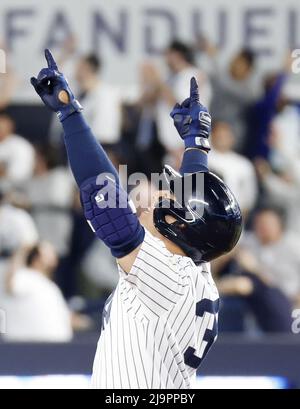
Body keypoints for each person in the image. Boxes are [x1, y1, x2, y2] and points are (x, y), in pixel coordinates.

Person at [31, 50, 242, 389]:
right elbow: (196, 213)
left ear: (178, 222)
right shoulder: (194, 264)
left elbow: (105, 197)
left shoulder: (166, 275)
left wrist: (70, 113)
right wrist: (196, 143)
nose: (159, 194)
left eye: (166, 196)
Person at [0, 242, 73, 342]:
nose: (53, 256)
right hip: (28, 348)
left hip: (55, 347)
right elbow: (11, 285)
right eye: (47, 253)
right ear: (36, 258)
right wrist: (22, 250)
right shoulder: (26, 275)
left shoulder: (50, 286)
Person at [209, 121, 257, 217]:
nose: (222, 138)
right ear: (211, 136)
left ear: (232, 138)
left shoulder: (244, 164)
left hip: (234, 217)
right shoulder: (202, 159)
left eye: (226, 135)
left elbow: (248, 200)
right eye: (219, 135)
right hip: (207, 214)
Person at [0, 114, 35, 190]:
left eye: (2, 127)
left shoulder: (21, 146)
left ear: (9, 127)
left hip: (15, 191)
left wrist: (3, 172)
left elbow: (20, 177)